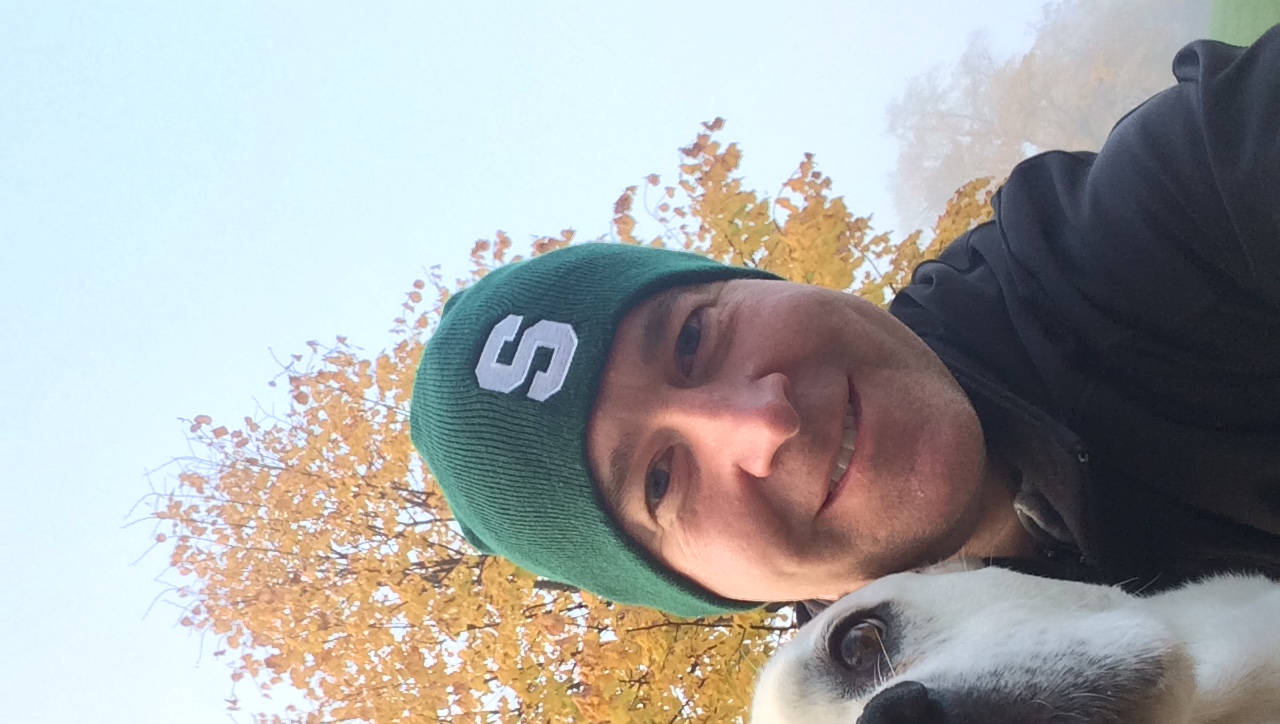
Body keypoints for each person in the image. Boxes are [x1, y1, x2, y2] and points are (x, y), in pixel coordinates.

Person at [410, 27, 1280, 619]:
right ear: (704, 590)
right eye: (661, 484)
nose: (762, 421)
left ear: (761, 282)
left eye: (690, 339)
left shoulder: (1130, 237)